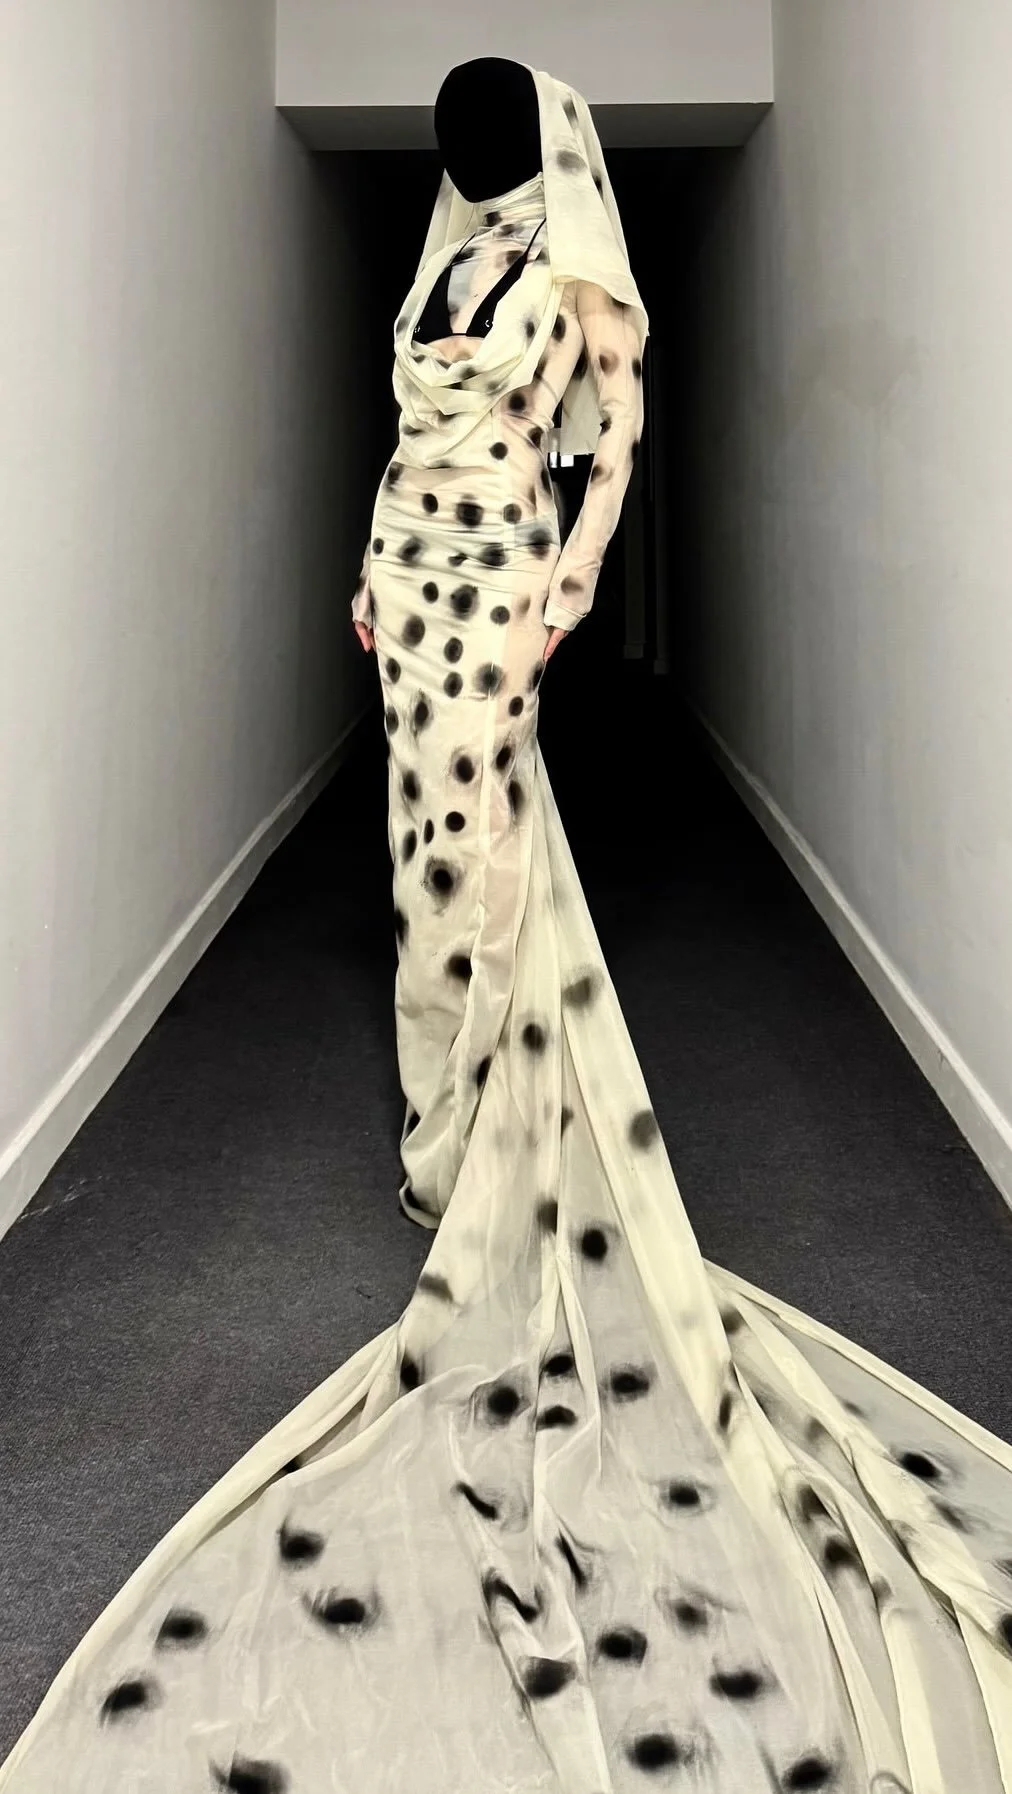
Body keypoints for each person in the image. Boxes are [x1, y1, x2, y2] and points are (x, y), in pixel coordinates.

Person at [3, 57, 1012, 1794]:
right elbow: (405, 431)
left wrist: (569, 584)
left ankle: (499, 1135)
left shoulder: (572, 268)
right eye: (450, 135)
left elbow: (613, 436)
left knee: (480, 855)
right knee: (420, 862)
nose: (463, 152)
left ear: (545, 140)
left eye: (488, 130)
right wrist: (364, 563)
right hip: (413, 578)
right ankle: (445, 1123)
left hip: (504, 585)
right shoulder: (451, 255)